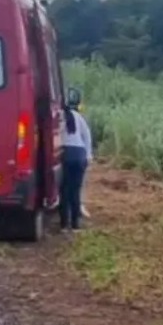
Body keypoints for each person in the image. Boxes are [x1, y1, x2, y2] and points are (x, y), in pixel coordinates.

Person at [59, 98, 93, 231]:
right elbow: (87, 135)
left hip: (66, 153)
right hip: (79, 153)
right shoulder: (77, 116)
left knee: (64, 190)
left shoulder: (59, 116)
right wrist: (88, 154)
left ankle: (64, 224)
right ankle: (75, 225)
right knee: (75, 190)